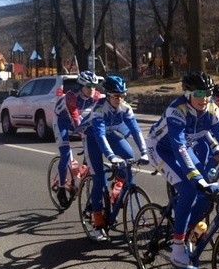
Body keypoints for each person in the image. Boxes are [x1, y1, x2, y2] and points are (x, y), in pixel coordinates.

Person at [146, 71, 219, 269]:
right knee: (190, 189)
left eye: (208, 94)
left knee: (206, 195)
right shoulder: (176, 110)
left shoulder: (212, 109)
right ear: (188, 94)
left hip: (183, 148)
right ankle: (177, 249)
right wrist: (197, 179)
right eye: (199, 94)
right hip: (160, 149)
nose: (204, 99)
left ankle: (189, 229)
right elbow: (178, 147)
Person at [78, 75, 149, 241]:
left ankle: (118, 188)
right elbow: (100, 136)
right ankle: (98, 225)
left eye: (122, 95)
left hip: (110, 134)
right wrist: (111, 157)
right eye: (116, 96)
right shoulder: (99, 110)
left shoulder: (125, 108)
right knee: (99, 179)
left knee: (130, 157)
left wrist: (144, 152)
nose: (120, 99)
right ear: (108, 95)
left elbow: (136, 131)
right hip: (92, 137)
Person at [53, 70, 101, 208]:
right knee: (65, 153)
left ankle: (80, 175)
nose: (91, 89)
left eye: (94, 86)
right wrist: (84, 133)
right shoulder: (71, 97)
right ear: (81, 86)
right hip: (61, 120)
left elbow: (98, 114)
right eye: (88, 86)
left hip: (75, 117)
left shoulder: (96, 96)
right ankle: (61, 188)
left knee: (91, 139)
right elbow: (75, 119)